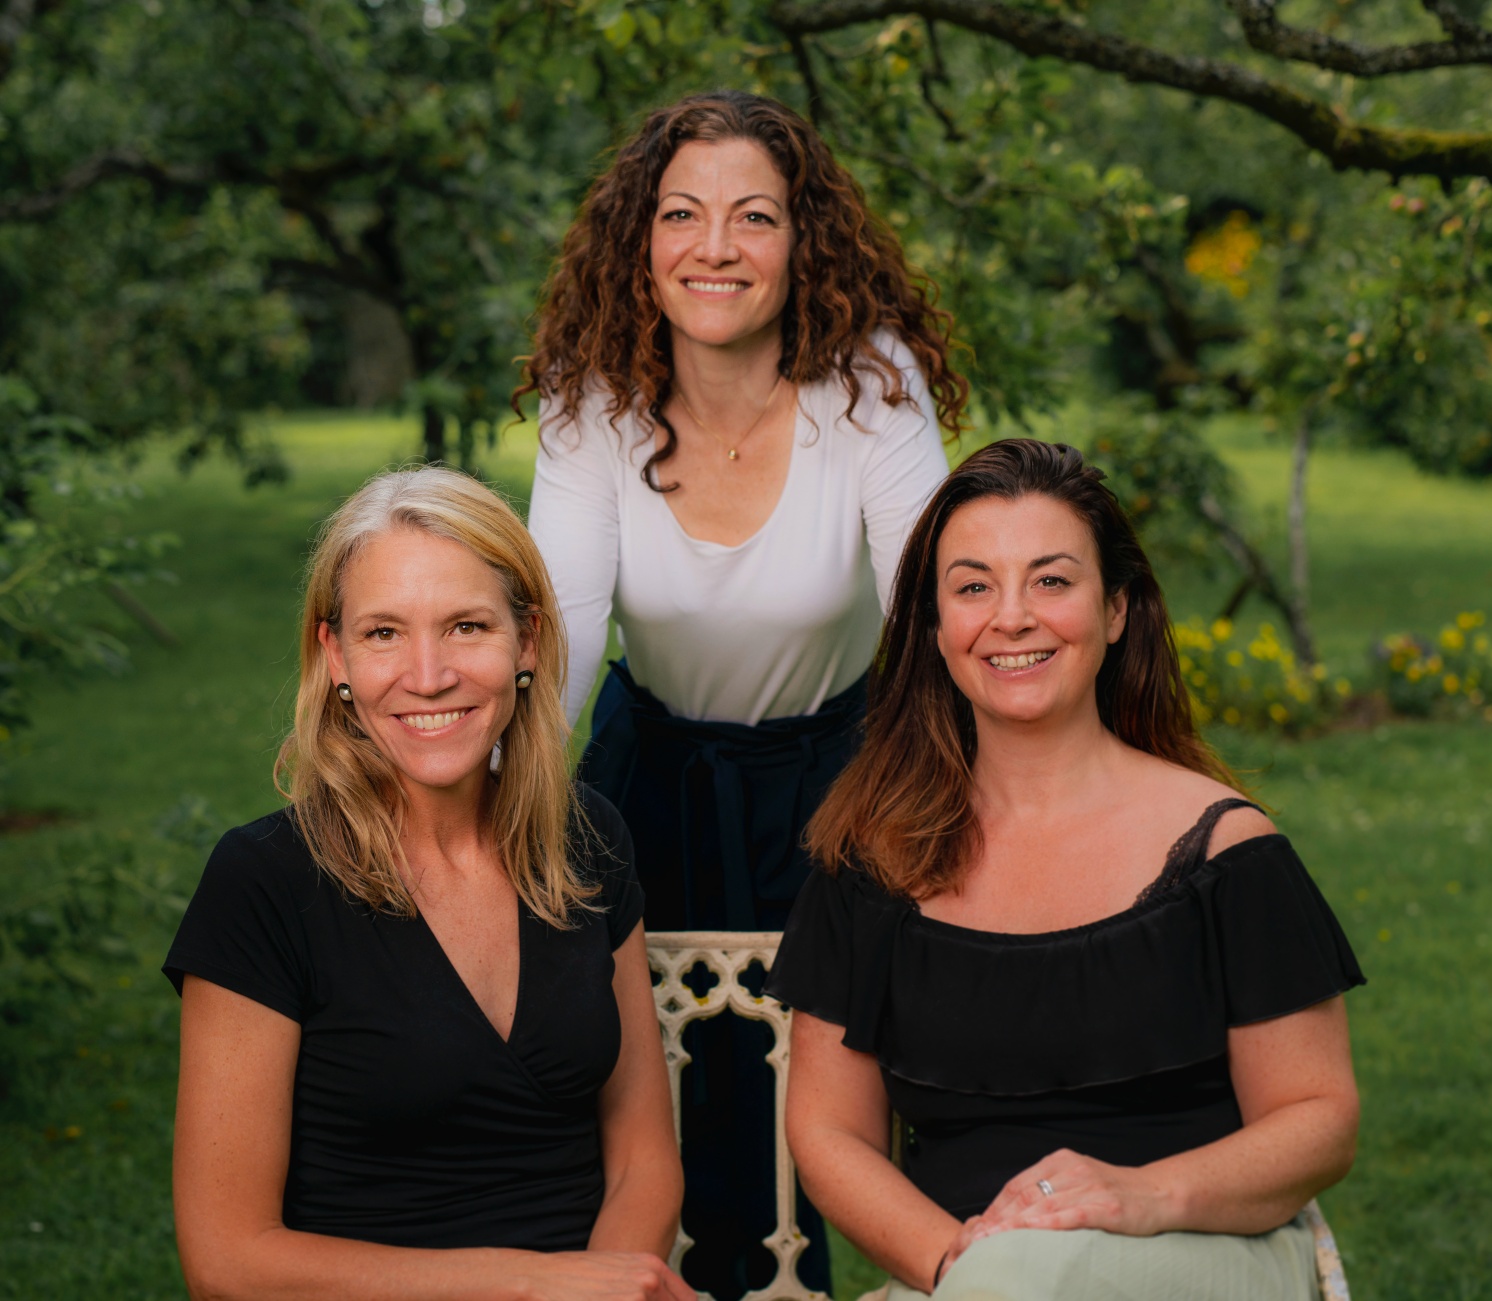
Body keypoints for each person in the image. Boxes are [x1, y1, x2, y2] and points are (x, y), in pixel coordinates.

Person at [518, 90, 968, 1297]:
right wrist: (495, 815)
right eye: (682, 214)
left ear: (802, 241)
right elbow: (559, 627)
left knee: (835, 1069)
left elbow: (934, 602)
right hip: (649, 768)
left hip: (840, 767)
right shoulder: (592, 397)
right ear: (641, 241)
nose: (715, 246)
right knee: (661, 1068)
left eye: (754, 217)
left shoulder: (869, 387)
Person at [768, 439, 1365, 1300]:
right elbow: (829, 1131)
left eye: (1051, 580)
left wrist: (1140, 1194)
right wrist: (958, 1261)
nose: (1012, 616)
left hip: (1201, 1249)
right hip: (970, 1276)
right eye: (974, 586)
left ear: (1116, 608)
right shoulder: (872, 862)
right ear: (935, 629)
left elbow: (1319, 1121)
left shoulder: (1227, 851)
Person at [164, 466, 693, 1301]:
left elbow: (643, 1158)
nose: (428, 672)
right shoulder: (262, 884)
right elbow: (228, 1259)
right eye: (383, 633)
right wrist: (531, 1286)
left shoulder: (588, 839)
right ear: (333, 654)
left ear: (527, 640)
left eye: (466, 626)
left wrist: (603, 1289)